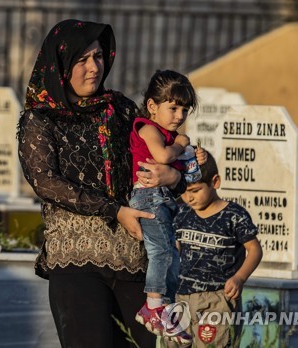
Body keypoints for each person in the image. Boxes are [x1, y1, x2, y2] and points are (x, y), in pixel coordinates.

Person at [17, 19, 184, 348]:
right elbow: (46, 181)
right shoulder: (41, 119)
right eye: (82, 60)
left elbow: (159, 160)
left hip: (138, 260)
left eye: (98, 57)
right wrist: (115, 210)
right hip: (77, 262)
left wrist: (174, 176)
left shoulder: (121, 110)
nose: (94, 67)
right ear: (62, 65)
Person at [128, 70, 202, 345]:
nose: (179, 116)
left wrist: (195, 160)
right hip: (149, 197)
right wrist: (182, 143)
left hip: (165, 201)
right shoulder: (146, 128)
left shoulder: (170, 137)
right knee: (160, 252)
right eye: (173, 108)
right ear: (152, 106)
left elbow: (192, 177)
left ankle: (164, 305)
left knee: (172, 257)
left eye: (184, 109)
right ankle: (153, 306)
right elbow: (161, 156)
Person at [173, 151, 263, 347]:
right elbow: (176, 249)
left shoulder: (234, 215)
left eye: (195, 190)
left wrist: (239, 278)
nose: (189, 197)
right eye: (185, 191)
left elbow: (255, 250)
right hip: (181, 296)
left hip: (218, 298)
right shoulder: (181, 213)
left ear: (215, 182)